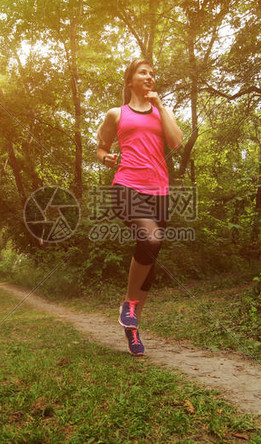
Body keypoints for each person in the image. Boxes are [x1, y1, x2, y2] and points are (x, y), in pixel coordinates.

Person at [95, 58, 183, 356]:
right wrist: (104, 156)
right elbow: (101, 146)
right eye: (143, 72)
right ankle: (129, 308)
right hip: (127, 186)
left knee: (150, 258)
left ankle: (132, 327)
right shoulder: (116, 114)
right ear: (130, 81)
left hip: (160, 191)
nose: (149, 77)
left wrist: (161, 106)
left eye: (152, 73)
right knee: (151, 237)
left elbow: (177, 142)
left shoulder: (161, 113)